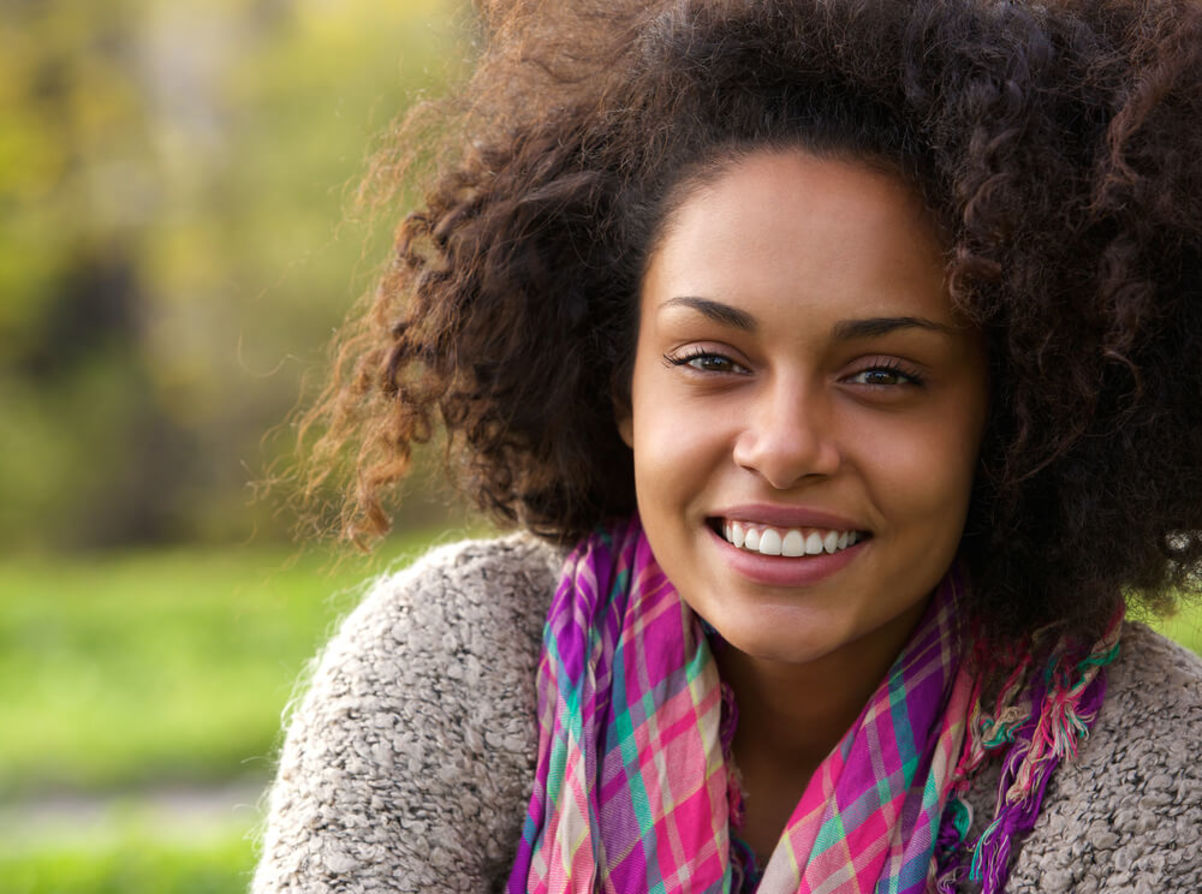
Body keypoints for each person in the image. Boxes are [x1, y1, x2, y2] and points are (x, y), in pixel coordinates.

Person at [253, 0, 1202, 891]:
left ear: (1013, 415)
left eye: (883, 374)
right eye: (711, 358)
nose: (784, 447)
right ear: (619, 383)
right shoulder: (455, 660)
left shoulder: (1145, 754)